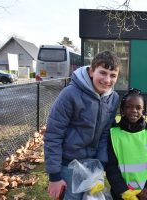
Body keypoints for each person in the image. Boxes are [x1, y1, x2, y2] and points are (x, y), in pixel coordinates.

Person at [44, 50, 121, 200]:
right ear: (92, 71)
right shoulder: (70, 94)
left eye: (113, 75)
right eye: (103, 73)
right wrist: (54, 177)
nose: (107, 80)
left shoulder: (113, 98)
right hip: (68, 165)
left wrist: (101, 164)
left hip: (94, 165)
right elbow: (53, 135)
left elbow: (106, 132)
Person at [106, 88, 147, 200]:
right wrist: (123, 191)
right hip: (123, 194)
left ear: (144, 111)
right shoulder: (113, 135)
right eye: (129, 107)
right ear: (122, 110)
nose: (134, 110)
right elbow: (111, 167)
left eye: (138, 108)